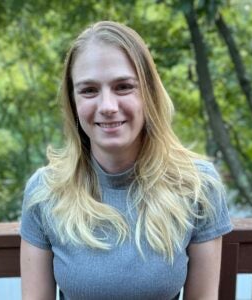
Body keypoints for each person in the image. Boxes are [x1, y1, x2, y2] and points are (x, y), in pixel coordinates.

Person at [20, 21, 232, 300]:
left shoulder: (197, 186)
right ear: (73, 103)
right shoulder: (45, 192)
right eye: (89, 90)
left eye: (123, 87)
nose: (107, 106)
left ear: (149, 94)